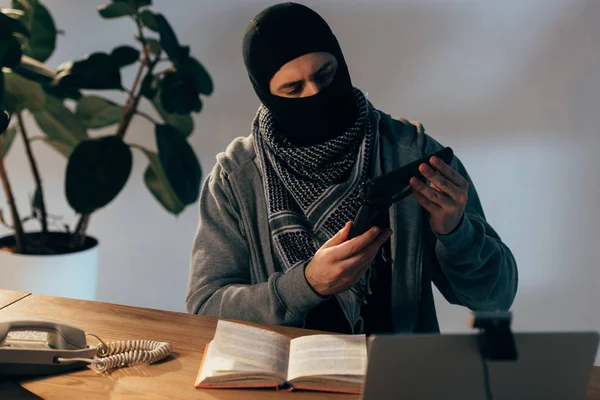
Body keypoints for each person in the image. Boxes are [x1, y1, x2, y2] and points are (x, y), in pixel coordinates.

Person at [186, 2, 518, 335]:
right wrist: (308, 283)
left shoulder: (411, 153)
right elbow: (205, 309)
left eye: (325, 75)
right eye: (293, 89)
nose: (316, 94)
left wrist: (456, 232)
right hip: (280, 382)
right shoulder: (235, 179)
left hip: (396, 377)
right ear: (267, 94)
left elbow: (494, 297)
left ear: (341, 65)